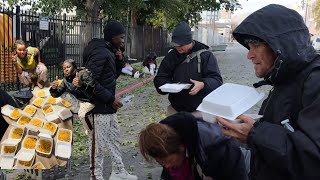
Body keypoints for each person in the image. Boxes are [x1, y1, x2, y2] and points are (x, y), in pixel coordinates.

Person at [216, 4, 320, 180]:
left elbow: (313, 160)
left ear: (281, 44)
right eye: (249, 46)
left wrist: (254, 134)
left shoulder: (315, 80)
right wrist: (248, 128)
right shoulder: (285, 77)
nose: (249, 55)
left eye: (255, 45)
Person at [82, 20, 137, 180]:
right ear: (112, 37)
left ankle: (119, 171)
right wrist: (110, 98)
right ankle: (95, 176)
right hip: (98, 109)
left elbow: (110, 77)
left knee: (114, 140)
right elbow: (88, 80)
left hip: (108, 107)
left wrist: (119, 60)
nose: (122, 40)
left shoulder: (109, 51)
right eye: (120, 37)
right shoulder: (100, 52)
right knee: (97, 146)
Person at [139, 112, 248, 180]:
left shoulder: (218, 148)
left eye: (167, 161)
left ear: (181, 147)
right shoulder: (168, 146)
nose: (166, 166)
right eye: (161, 162)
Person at [154, 22, 223, 117]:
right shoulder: (171, 56)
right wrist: (165, 86)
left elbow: (217, 80)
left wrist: (203, 84)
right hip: (175, 110)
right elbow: (161, 77)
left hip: (200, 111)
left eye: (181, 45)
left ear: (189, 41)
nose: (178, 48)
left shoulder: (206, 55)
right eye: (175, 45)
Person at [49, 59, 95, 135]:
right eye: (64, 69)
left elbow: (93, 91)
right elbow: (57, 93)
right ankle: (78, 107)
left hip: (89, 99)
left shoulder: (84, 74)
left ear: (74, 67)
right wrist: (53, 89)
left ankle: (91, 131)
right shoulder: (65, 80)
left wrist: (82, 85)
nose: (66, 70)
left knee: (81, 114)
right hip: (79, 99)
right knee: (63, 93)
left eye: (68, 67)